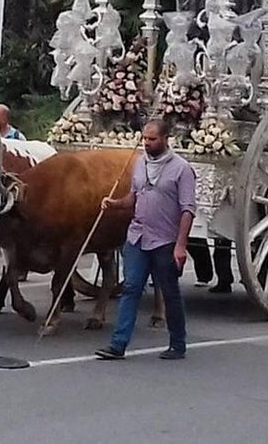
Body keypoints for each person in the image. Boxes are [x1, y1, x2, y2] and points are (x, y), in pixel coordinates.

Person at [95, 119, 195, 361]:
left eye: (152, 139)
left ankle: (177, 343)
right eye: (145, 139)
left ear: (165, 139)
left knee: (170, 292)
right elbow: (134, 197)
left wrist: (181, 245)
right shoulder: (140, 163)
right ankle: (118, 344)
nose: (147, 143)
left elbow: (188, 210)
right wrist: (115, 204)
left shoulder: (182, 169)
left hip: (165, 241)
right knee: (131, 288)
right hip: (138, 236)